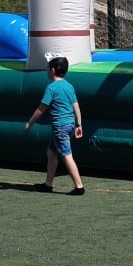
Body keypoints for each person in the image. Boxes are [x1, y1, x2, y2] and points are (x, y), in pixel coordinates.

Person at [24, 55, 86, 195]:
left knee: (66, 155)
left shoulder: (51, 88)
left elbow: (41, 108)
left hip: (60, 127)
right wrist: (79, 124)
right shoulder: (68, 86)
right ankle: (48, 184)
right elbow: (76, 106)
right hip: (69, 125)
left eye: (47, 68)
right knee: (51, 152)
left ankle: (79, 186)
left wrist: (30, 123)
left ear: (52, 70)